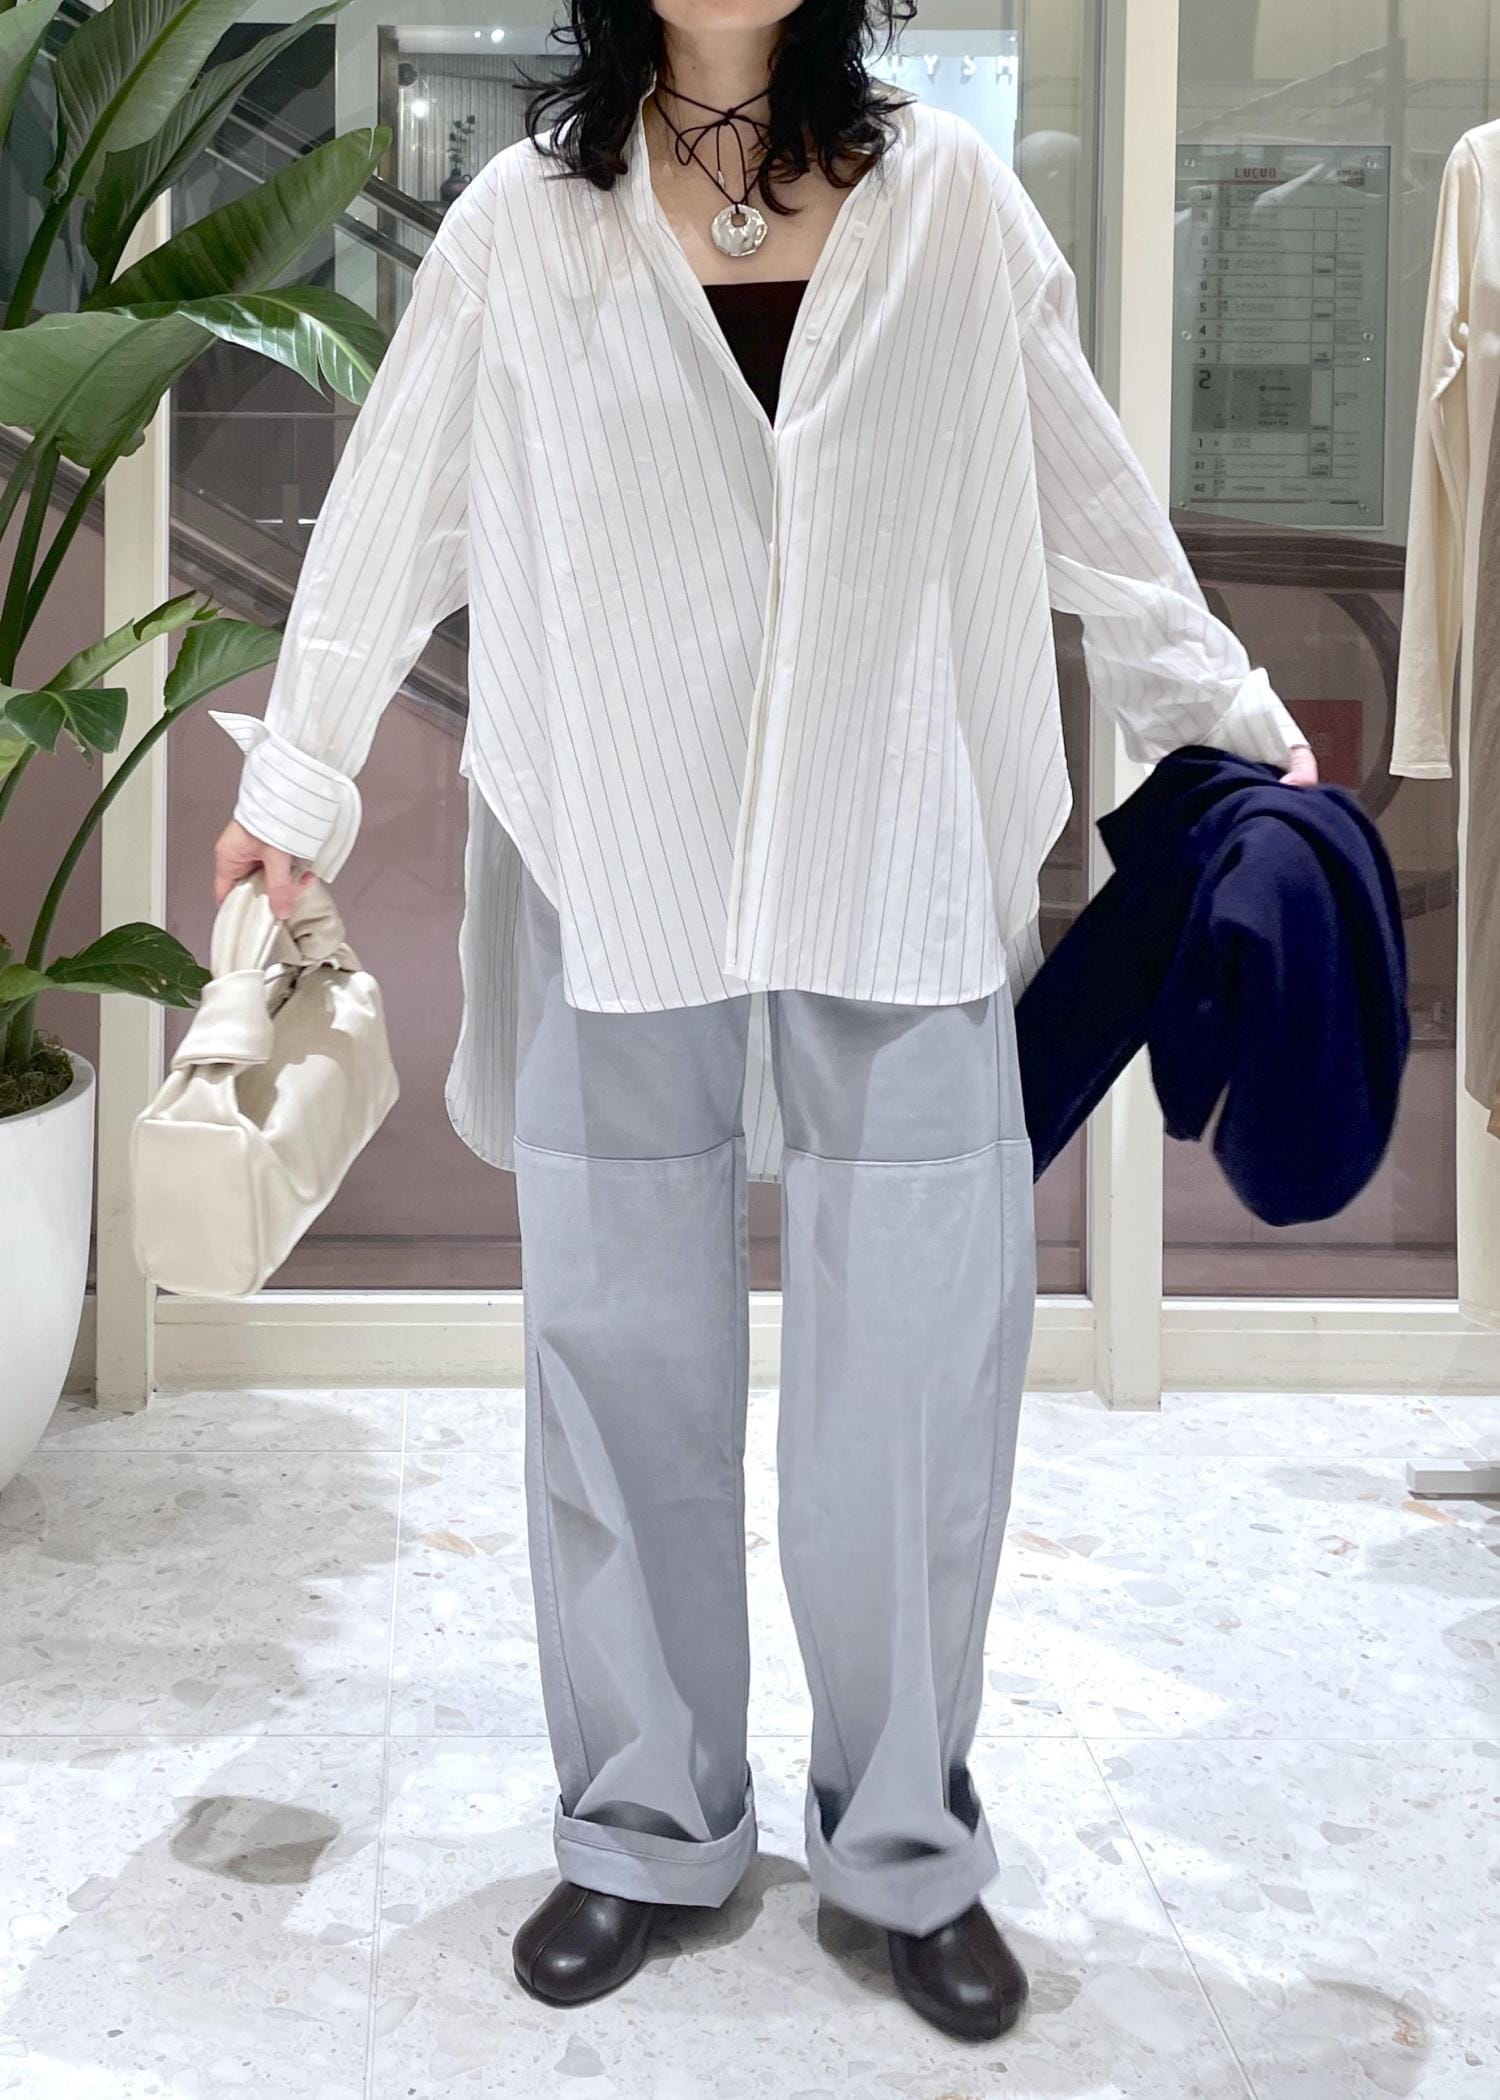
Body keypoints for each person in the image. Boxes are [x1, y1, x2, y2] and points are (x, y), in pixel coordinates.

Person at [212, 0, 1319, 2047]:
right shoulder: (525, 222)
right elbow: (393, 507)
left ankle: (904, 1846)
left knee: (916, 1380)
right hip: (612, 843)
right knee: (614, 1354)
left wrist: (1229, 722)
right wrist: (299, 783)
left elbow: (1085, 489)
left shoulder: (949, 199)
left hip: (894, 834)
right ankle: (643, 1824)